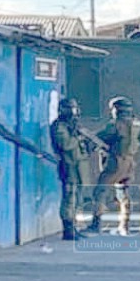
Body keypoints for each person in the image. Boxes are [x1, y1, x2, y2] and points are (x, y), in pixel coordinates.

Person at [86, 96, 140, 236]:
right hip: (130, 162)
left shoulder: (116, 124)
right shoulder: (136, 123)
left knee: (101, 191)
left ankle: (96, 223)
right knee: (124, 194)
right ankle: (124, 226)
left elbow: (102, 137)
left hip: (116, 161)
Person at [50, 98, 93, 240]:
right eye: (70, 109)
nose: (73, 113)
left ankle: (74, 226)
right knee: (69, 199)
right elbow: (66, 144)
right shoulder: (59, 126)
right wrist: (78, 137)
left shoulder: (71, 125)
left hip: (78, 167)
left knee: (77, 199)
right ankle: (68, 230)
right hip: (69, 167)